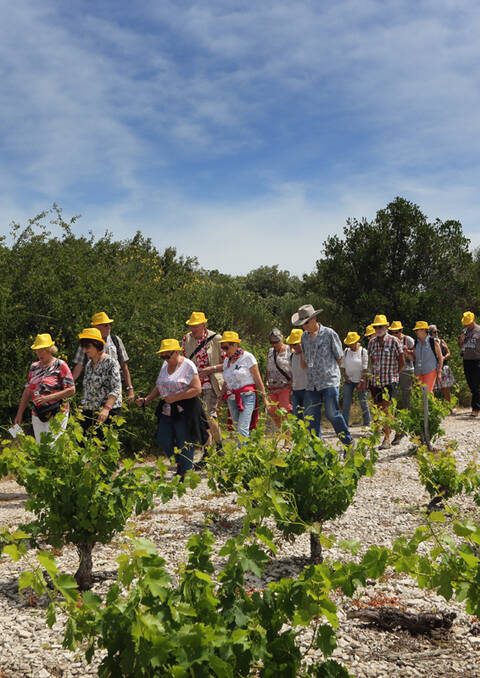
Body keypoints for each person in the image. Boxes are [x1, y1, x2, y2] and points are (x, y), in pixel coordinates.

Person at [136, 339, 208, 477]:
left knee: (184, 441)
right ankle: (179, 463)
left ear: (177, 352)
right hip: (167, 409)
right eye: (162, 356)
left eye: (167, 355)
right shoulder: (165, 365)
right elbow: (160, 385)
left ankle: (186, 473)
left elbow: (197, 389)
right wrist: (147, 399)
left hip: (185, 409)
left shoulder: (188, 366)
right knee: (163, 439)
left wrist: (175, 398)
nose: (165, 358)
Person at [291, 304, 352, 447]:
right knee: (311, 416)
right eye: (302, 324)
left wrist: (330, 372)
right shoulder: (304, 338)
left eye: (306, 322)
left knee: (332, 414)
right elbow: (305, 359)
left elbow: (339, 357)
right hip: (312, 383)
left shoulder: (329, 334)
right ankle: (317, 449)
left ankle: (348, 443)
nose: (304, 326)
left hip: (329, 381)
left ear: (314, 318)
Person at [14, 334, 75, 443]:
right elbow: (27, 391)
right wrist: (19, 414)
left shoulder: (60, 365)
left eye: (42, 350)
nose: (39, 353)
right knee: (41, 446)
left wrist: (48, 398)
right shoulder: (34, 367)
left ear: (50, 350)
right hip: (38, 413)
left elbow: (71, 390)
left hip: (58, 412)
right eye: (37, 350)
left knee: (53, 446)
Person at [182, 312, 224, 456]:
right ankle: (211, 449)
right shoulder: (186, 339)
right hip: (194, 385)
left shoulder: (216, 339)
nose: (192, 329)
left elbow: (228, 363)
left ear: (203, 325)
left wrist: (210, 369)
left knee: (208, 416)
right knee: (200, 418)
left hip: (212, 383)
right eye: (191, 326)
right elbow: (183, 361)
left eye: (195, 326)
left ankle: (216, 448)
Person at [72, 311, 135, 404]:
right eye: (105, 325)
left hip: (113, 391)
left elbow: (124, 366)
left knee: (111, 415)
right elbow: (78, 367)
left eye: (109, 324)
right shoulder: (86, 343)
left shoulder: (116, 340)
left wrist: (129, 388)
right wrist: (68, 385)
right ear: (96, 327)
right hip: (92, 394)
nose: (109, 327)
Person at [219, 332, 268, 439]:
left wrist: (264, 397)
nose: (225, 351)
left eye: (226, 347)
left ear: (235, 344)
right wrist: (220, 399)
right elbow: (226, 381)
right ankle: (248, 449)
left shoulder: (248, 357)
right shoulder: (227, 360)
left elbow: (257, 378)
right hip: (232, 398)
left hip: (247, 396)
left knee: (242, 427)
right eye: (222, 348)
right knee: (237, 427)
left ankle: (242, 452)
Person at [367, 314, 405, 450]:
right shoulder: (371, 342)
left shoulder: (394, 341)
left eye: (380, 326)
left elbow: (402, 361)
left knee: (386, 409)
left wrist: (395, 375)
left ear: (387, 327)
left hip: (390, 380)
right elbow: (370, 361)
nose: (378, 329)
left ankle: (387, 439)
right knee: (379, 410)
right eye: (376, 327)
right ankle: (399, 428)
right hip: (376, 381)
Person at [78, 327, 122, 432]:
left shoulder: (111, 362)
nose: (85, 349)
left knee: (103, 446)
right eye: (83, 346)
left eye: (87, 346)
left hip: (107, 412)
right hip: (89, 411)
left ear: (97, 345)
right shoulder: (89, 364)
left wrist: (106, 409)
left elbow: (116, 388)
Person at [388, 321, 415, 446]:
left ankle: (407, 424)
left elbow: (414, 358)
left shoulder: (408, 340)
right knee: (394, 400)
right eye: (393, 332)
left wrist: (407, 352)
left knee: (406, 398)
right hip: (394, 373)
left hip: (407, 371)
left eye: (397, 331)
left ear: (401, 330)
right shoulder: (390, 341)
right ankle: (397, 426)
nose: (395, 334)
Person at [341, 332, 370, 428]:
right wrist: (345, 376)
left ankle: (367, 424)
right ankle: (344, 424)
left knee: (363, 402)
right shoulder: (346, 351)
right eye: (349, 343)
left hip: (360, 381)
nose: (350, 345)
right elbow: (343, 366)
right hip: (348, 381)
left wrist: (362, 381)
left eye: (352, 343)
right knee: (346, 403)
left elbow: (365, 368)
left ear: (357, 341)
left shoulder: (363, 351)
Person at [265, 328, 292, 427]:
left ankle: (287, 439)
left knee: (284, 412)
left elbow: (295, 366)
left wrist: (293, 381)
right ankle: (282, 431)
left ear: (282, 339)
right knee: (272, 411)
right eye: (271, 342)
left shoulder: (289, 350)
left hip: (285, 386)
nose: (274, 344)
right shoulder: (270, 351)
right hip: (272, 387)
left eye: (276, 342)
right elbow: (269, 367)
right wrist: (266, 380)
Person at [459, 311, 480, 417]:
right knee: (471, 384)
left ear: (473, 320)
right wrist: (461, 340)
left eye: (469, 322)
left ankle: (475, 408)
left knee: (476, 384)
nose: (467, 325)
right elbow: (460, 347)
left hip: (477, 359)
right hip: (466, 360)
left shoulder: (479, 330)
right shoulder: (464, 331)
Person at [412, 321, 443, 392]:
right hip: (418, 372)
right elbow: (413, 358)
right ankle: (432, 403)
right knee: (420, 394)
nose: (416, 332)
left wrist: (439, 371)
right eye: (415, 330)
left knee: (427, 393)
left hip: (430, 370)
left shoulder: (433, 342)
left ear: (424, 330)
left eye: (417, 330)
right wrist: (407, 354)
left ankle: (430, 402)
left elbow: (440, 357)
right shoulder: (416, 342)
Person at [430, 324, 455, 406]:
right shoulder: (429, 343)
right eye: (434, 332)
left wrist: (443, 357)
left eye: (437, 331)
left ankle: (449, 405)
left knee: (445, 388)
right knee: (432, 388)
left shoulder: (441, 341)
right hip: (432, 367)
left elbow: (448, 352)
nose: (436, 333)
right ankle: (433, 406)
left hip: (443, 366)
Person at [285, 329, 307, 419]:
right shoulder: (292, 356)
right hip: (296, 390)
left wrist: (303, 351)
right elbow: (293, 373)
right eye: (291, 344)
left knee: (308, 415)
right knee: (296, 416)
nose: (293, 347)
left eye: (295, 344)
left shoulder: (307, 354)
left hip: (307, 389)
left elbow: (303, 366)